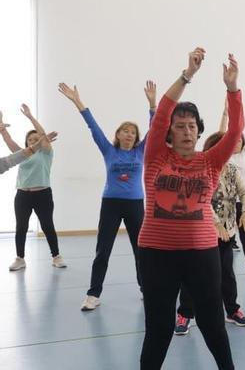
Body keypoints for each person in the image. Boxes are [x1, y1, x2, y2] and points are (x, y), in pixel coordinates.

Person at [137, 47, 243, 370]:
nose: (186, 131)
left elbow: (235, 131)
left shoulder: (210, 161)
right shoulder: (156, 156)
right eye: (179, 126)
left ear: (199, 131)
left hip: (202, 255)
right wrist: (188, 75)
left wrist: (232, 88)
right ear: (168, 131)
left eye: (191, 126)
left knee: (213, 326)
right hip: (156, 254)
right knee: (159, 330)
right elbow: (163, 110)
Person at [57, 81, 156, 310]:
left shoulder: (141, 151)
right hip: (111, 204)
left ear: (136, 137)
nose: (129, 134)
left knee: (140, 250)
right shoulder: (108, 150)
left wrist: (152, 105)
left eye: (133, 132)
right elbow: (93, 127)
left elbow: (155, 129)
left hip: (135, 205)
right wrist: (77, 101)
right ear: (118, 135)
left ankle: (146, 288)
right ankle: (93, 294)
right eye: (125, 131)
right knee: (103, 250)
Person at [175, 131, 245, 336]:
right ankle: (185, 314)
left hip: (227, 231)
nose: (236, 145)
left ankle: (232, 310)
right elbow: (200, 198)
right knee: (193, 275)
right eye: (231, 142)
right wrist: (215, 224)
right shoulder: (200, 169)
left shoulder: (231, 169)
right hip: (201, 231)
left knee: (226, 273)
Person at [2, 104, 65, 271]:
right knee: (21, 227)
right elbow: (9, 141)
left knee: (47, 225)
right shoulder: (22, 154)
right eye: (30, 140)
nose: (34, 141)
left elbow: (43, 135)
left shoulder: (46, 153)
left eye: (36, 139)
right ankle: (20, 259)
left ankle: (56, 256)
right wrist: (2, 129)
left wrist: (30, 117)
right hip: (23, 195)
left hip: (42, 194)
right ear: (27, 143)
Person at [219, 96, 245, 282]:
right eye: (233, 139)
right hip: (225, 204)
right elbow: (221, 133)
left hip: (243, 204)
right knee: (223, 239)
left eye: (239, 140)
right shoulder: (222, 155)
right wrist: (225, 113)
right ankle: (219, 272)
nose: (236, 142)